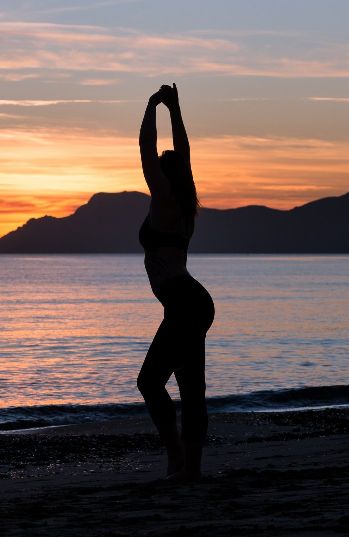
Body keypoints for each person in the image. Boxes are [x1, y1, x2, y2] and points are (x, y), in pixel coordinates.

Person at [136, 83, 215, 482]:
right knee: (189, 388)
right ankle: (191, 468)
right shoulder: (184, 205)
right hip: (191, 301)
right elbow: (182, 152)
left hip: (186, 301)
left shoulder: (166, 201)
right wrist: (176, 108)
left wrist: (153, 107)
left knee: (149, 382)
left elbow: (148, 150)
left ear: (166, 176)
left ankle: (177, 462)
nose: (159, 166)